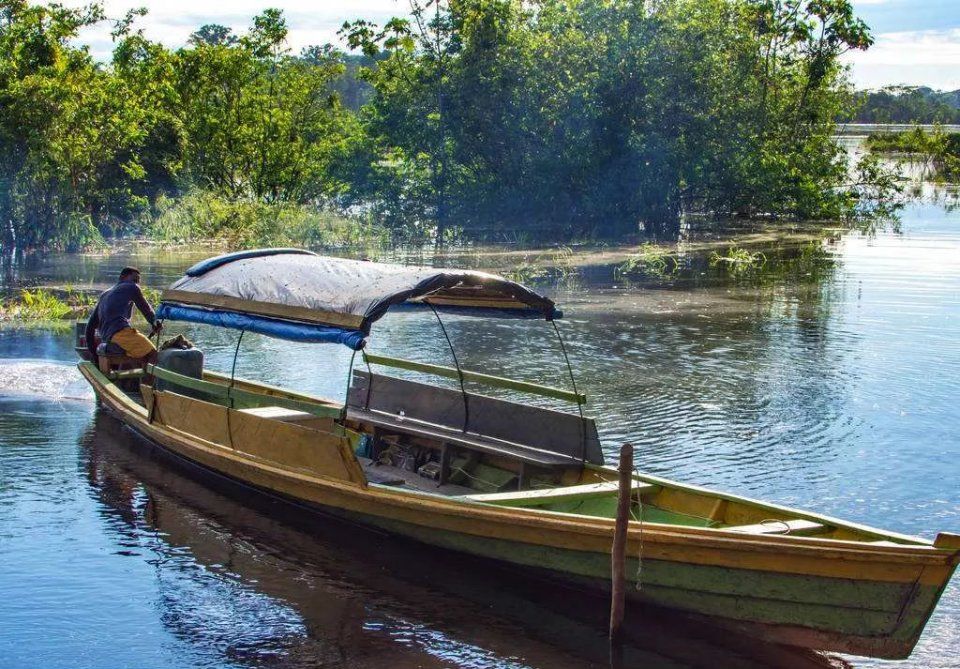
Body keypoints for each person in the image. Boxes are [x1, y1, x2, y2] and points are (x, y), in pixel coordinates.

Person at [85, 266, 162, 366]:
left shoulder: (105, 294)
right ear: (122, 277)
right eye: (134, 279)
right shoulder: (131, 287)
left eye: (138, 281)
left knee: (140, 352)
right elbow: (146, 309)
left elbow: (89, 328)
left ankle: (133, 378)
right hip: (121, 334)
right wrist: (154, 322)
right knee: (153, 354)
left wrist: (94, 356)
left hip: (107, 338)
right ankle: (148, 382)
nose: (136, 283)